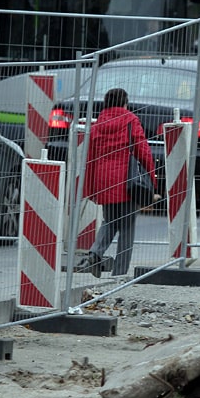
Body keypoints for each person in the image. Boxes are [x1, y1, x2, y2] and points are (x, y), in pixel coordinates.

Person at [78, 87, 158, 278]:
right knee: (127, 228)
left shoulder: (98, 124)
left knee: (110, 221)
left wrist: (91, 187)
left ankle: (95, 254)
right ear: (124, 103)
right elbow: (143, 152)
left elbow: (90, 156)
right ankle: (119, 274)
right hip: (126, 181)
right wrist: (152, 181)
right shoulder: (130, 120)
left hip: (104, 180)